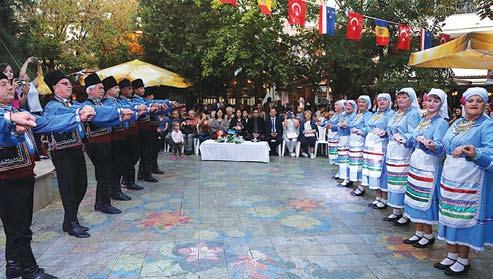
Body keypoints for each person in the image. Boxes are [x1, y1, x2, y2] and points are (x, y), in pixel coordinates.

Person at [0, 72, 95, 279]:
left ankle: (13, 265)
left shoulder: (15, 110)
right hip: (7, 178)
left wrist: (77, 116)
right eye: (3, 84)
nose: (9, 87)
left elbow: (45, 123)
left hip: (21, 174)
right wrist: (10, 119)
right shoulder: (8, 114)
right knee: (18, 228)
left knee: (19, 225)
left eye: (10, 84)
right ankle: (29, 271)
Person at [433, 87, 493, 276]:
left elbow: (490, 151)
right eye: (470, 100)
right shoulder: (457, 122)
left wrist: (475, 152)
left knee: (463, 216)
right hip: (451, 176)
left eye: (479, 100)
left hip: (471, 179)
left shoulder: (486, 125)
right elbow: (445, 145)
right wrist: (433, 145)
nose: (474, 104)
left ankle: (463, 259)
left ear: (485, 105)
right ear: (464, 103)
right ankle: (451, 254)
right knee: (450, 214)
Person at [401, 89, 449, 249]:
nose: (431, 103)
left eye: (436, 101)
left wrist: (432, 144)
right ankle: (419, 232)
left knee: (424, 198)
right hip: (417, 162)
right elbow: (414, 135)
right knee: (415, 197)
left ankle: (428, 234)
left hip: (429, 164)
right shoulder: (423, 119)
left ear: (441, 104)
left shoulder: (441, 122)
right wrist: (405, 138)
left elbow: (441, 146)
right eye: (429, 100)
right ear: (424, 102)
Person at [82, 73, 133, 215]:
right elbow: (100, 116)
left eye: (103, 88)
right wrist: (119, 112)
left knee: (105, 172)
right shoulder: (88, 105)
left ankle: (100, 202)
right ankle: (105, 203)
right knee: (104, 172)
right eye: (99, 88)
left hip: (105, 140)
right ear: (90, 90)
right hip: (96, 143)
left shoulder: (99, 103)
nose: (102, 91)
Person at [384, 88, 421, 226]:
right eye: (399, 97)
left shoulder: (413, 114)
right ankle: (396, 210)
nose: (400, 99)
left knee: (402, 181)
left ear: (411, 99)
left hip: (404, 151)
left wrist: (404, 137)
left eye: (404, 97)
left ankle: (405, 213)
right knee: (393, 180)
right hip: (393, 150)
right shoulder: (397, 113)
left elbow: (415, 133)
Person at [102, 76, 133, 202]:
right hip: (114, 137)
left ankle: (116, 189)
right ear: (108, 90)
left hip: (120, 135)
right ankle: (115, 190)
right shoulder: (108, 103)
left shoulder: (116, 101)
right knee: (116, 164)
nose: (118, 90)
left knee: (120, 163)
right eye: (115, 88)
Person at [362, 94, 394, 209]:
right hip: (371, 145)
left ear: (389, 101)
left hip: (381, 145)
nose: (381, 102)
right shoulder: (375, 114)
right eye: (379, 100)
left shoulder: (391, 114)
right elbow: (368, 126)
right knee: (373, 172)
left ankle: (384, 198)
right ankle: (378, 197)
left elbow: (391, 129)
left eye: (384, 100)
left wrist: (384, 132)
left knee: (381, 172)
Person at [117, 79, 145, 190]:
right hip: (125, 133)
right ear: (122, 90)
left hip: (133, 131)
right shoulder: (120, 101)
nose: (131, 91)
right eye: (129, 88)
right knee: (128, 157)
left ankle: (128, 178)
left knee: (134, 156)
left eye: (131, 88)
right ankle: (128, 180)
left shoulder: (130, 100)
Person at [349, 96, 373, 196]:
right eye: (359, 102)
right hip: (354, 142)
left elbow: (369, 127)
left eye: (363, 102)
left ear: (368, 104)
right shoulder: (358, 114)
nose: (361, 104)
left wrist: (360, 131)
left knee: (360, 165)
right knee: (355, 165)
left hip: (361, 142)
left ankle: (361, 186)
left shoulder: (368, 115)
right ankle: (358, 184)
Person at [336, 100, 357, 186]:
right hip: (341, 138)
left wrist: (345, 126)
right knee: (343, 159)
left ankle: (347, 179)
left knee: (347, 159)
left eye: (350, 106)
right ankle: (345, 177)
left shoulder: (354, 116)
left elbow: (353, 126)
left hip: (349, 138)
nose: (347, 107)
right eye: (346, 105)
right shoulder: (342, 115)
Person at [328, 100, 345, 168]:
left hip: (337, 135)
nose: (335, 106)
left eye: (336, 105)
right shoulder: (335, 114)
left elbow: (340, 125)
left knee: (338, 153)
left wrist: (333, 127)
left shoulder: (342, 115)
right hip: (332, 135)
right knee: (333, 152)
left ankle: (339, 169)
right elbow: (329, 121)